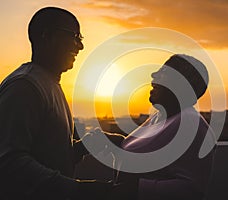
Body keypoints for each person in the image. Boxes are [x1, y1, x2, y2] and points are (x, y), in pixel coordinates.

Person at [0, 7, 112, 200]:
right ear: (47, 36)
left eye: (81, 39)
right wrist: (81, 190)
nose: (80, 46)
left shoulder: (48, 83)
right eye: (74, 36)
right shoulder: (25, 87)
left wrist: (87, 145)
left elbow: (47, 153)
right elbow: (10, 162)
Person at [106, 54, 216, 200]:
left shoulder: (191, 125)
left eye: (164, 72)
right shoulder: (160, 117)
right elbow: (145, 150)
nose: (154, 75)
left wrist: (137, 187)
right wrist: (118, 143)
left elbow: (192, 190)